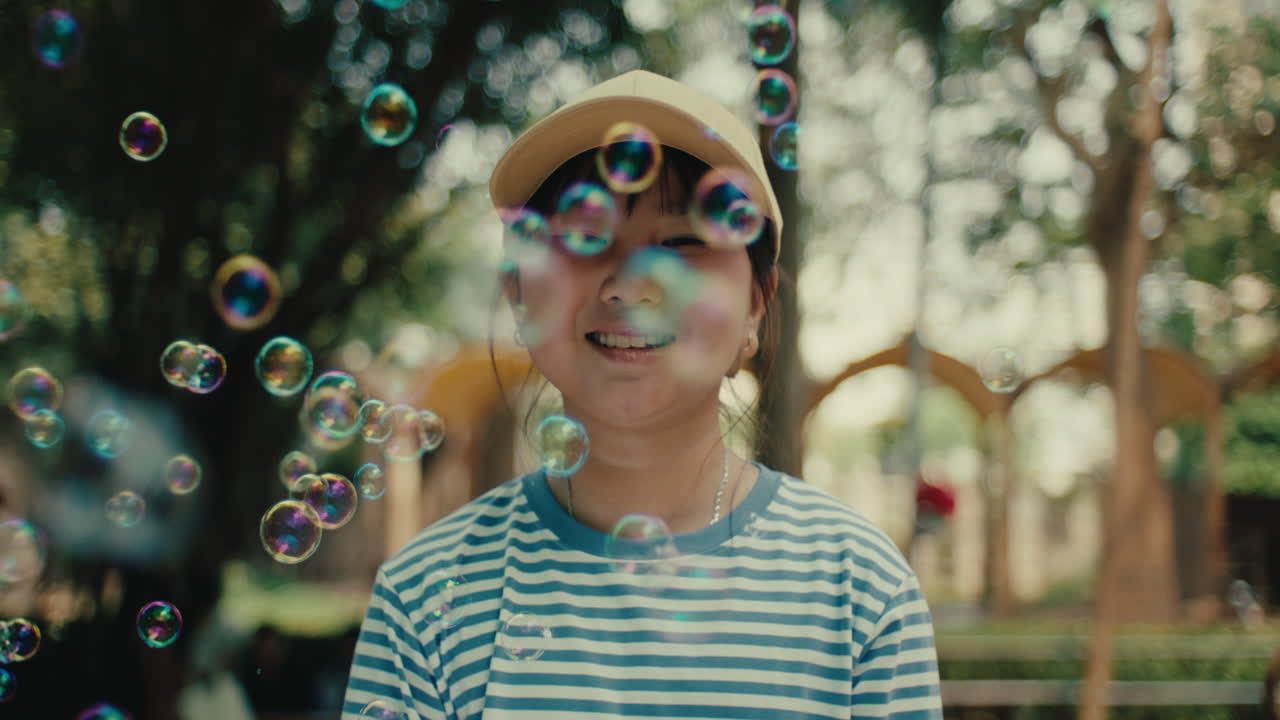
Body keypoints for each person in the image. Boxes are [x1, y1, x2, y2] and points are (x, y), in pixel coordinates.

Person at [342, 70, 943, 719]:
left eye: (684, 241)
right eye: (583, 237)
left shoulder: (860, 594)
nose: (630, 287)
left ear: (754, 308)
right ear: (519, 294)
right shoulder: (426, 599)